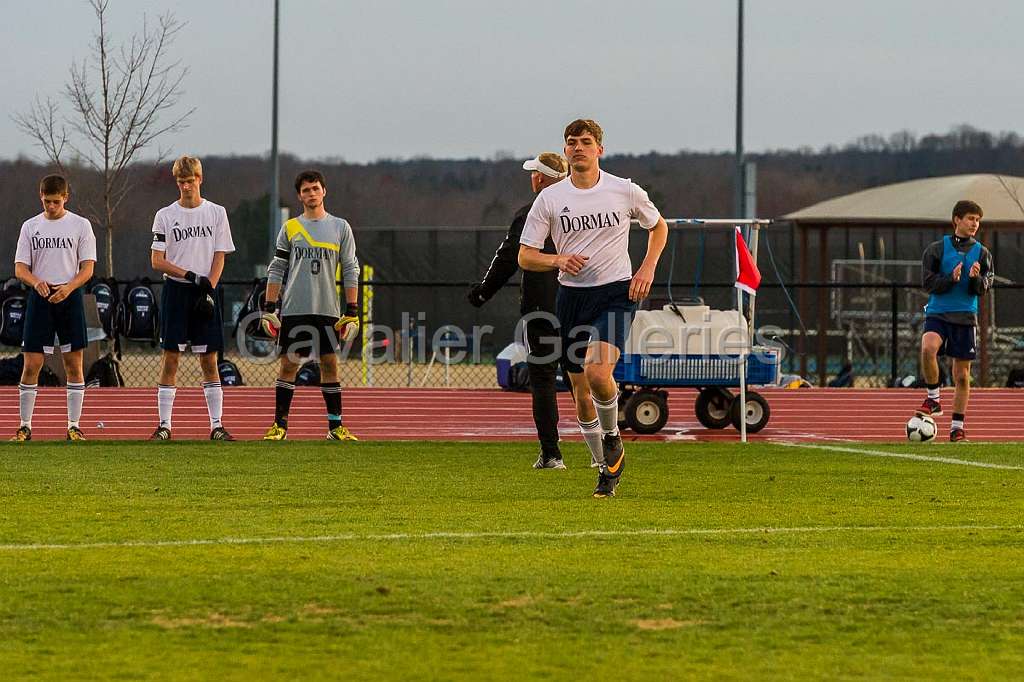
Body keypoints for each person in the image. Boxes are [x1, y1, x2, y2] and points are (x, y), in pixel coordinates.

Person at [518, 119, 668, 497]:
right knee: (581, 394)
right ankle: (605, 468)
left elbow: (659, 226)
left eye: (586, 142)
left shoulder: (624, 190)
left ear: (599, 149)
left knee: (598, 371)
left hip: (617, 292)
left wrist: (646, 268)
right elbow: (526, 256)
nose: (578, 148)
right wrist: (557, 261)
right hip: (572, 297)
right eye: (572, 143)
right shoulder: (550, 199)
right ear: (565, 150)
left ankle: (613, 434)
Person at [468, 152, 568, 469]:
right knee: (585, 378)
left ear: (540, 178)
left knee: (543, 379)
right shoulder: (584, 208)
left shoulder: (531, 213)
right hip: (583, 301)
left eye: (533, 173)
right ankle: (602, 448)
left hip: (543, 306)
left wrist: (483, 292)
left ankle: (551, 453)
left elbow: (509, 257)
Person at [260, 170, 361, 441]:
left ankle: (335, 427)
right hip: (295, 308)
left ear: (324, 191)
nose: (311, 194)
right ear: (299, 195)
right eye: (306, 190)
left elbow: (351, 269)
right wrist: (269, 307)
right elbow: (277, 268)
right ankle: (279, 426)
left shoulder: (341, 227)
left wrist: (352, 310)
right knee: (289, 365)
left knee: (330, 365)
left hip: (328, 309)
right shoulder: (290, 227)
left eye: (315, 188)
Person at [149, 155, 236, 441]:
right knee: (171, 359)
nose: (186, 186)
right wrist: (188, 275)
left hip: (205, 291)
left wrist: (208, 286)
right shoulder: (165, 215)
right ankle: (164, 425)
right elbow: (157, 260)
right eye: (181, 181)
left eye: (190, 180)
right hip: (176, 290)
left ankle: (216, 425)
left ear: (200, 179)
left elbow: (220, 254)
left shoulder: (216, 213)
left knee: (209, 360)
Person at [11, 174, 97, 441]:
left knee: (74, 363)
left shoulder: (80, 225)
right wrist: (36, 283)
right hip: (41, 297)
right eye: (47, 201)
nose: (51, 207)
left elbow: (88, 268)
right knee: (32, 363)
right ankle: (25, 426)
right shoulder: (30, 227)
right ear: (41, 197)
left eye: (56, 202)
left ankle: (73, 426)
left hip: (68, 296)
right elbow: (20, 268)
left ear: (66, 198)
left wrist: (69, 288)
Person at [917, 199, 993, 442]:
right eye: (970, 218)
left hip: (965, 317)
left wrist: (974, 279)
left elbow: (984, 288)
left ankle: (956, 428)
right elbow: (928, 284)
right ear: (956, 220)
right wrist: (951, 278)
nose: (974, 223)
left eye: (978, 220)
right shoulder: (936, 250)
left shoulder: (982, 253)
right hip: (938, 312)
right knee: (928, 347)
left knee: (961, 375)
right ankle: (933, 398)